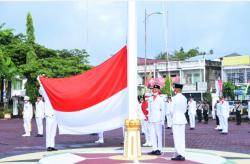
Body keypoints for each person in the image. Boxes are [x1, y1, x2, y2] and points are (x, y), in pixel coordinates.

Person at [38, 77, 58, 151]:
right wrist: (40, 82)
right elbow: (41, 91)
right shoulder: (46, 96)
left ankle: (52, 146)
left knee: (53, 132)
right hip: (49, 116)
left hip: (55, 116)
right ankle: (48, 146)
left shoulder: (56, 97)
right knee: (48, 132)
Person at [147, 84, 165, 155]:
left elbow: (163, 110)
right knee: (152, 135)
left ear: (159, 90)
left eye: (156, 89)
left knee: (159, 135)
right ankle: (154, 149)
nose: (154, 90)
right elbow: (149, 109)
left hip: (158, 118)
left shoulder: (161, 98)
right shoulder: (150, 99)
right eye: (153, 89)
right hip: (151, 119)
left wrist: (162, 120)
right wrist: (148, 118)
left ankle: (159, 149)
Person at [171, 83, 187, 161]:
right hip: (182, 119)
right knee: (182, 138)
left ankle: (179, 154)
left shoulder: (174, 98)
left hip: (176, 119)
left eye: (174, 88)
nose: (174, 89)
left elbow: (171, 110)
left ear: (177, 89)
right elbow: (184, 110)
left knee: (177, 138)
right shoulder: (184, 98)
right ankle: (182, 153)